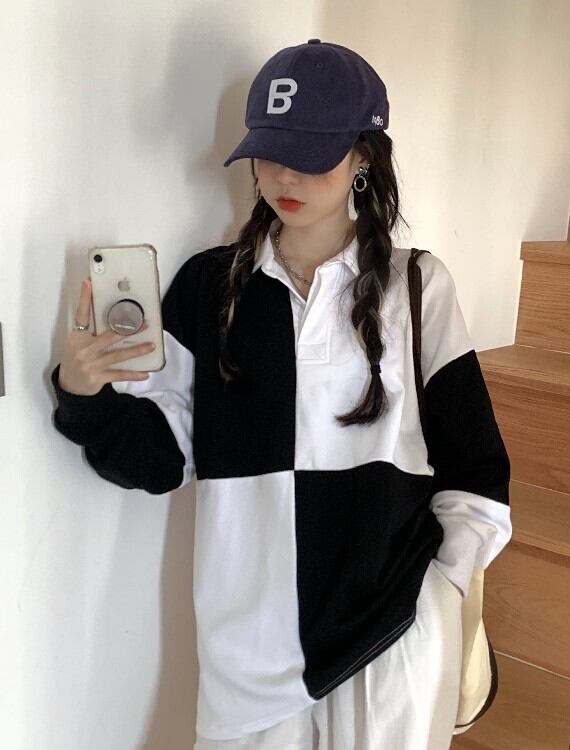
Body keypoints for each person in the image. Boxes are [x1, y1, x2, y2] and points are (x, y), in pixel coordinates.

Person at [48, 39, 512, 749]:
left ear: (363, 156)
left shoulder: (417, 285)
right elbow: (162, 459)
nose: (284, 176)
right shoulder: (210, 288)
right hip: (248, 647)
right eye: (269, 153)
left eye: (312, 154)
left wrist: (440, 590)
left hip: (392, 636)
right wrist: (84, 395)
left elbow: (476, 468)